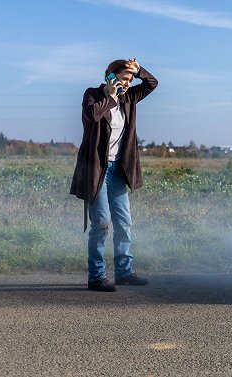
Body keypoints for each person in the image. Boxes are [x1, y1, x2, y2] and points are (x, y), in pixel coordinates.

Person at [70, 57, 158, 292]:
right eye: (123, 78)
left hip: (119, 169)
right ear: (110, 76)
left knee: (123, 222)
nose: (127, 83)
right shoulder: (93, 95)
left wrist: (138, 70)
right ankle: (96, 277)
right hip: (97, 169)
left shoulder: (129, 98)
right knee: (101, 223)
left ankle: (124, 272)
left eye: (130, 79)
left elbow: (152, 83)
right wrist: (110, 97)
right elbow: (92, 116)